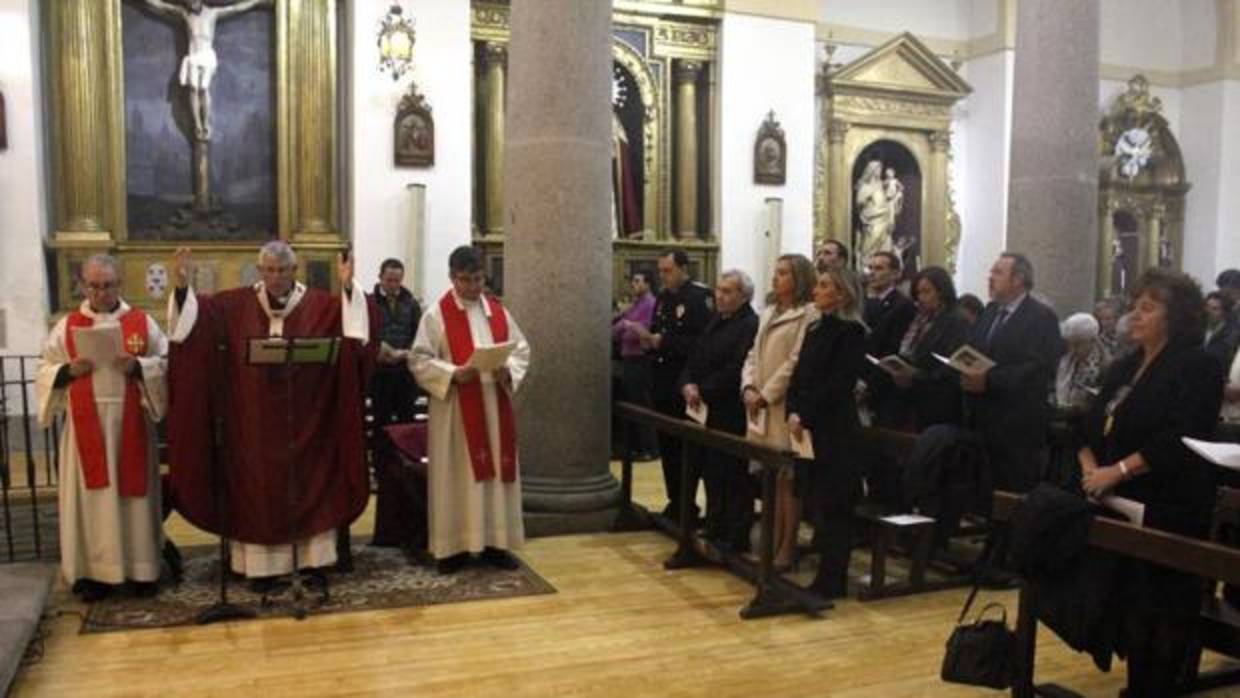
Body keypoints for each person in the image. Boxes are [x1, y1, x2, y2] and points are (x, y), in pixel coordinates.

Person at [167, 242, 372, 583]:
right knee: (258, 490)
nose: (276, 277)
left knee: (309, 486)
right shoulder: (234, 305)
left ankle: (311, 563)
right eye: (269, 270)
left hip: (308, 419)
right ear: (260, 271)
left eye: (283, 270)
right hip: (253, 422)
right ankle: (260, 567)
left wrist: (349, 287)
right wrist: (182, 287)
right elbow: (193, 324)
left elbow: (356, 336)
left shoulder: (321, 305)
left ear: (295, 271)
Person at [1078, 268, 1224, 696]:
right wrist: (1090, 464)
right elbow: (1088, 422)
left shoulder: (1198, 366)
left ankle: (1155, 685)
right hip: (1114, 498)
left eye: (1147, 308)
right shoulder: (1126, 365)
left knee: (1159, 607)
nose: (1134, 316)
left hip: (1168, 502)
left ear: (1175, 316)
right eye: (1134, 307)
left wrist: (1117, 471)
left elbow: (1179, 435)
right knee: (1128, 605)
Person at [36, 255, 169, 602]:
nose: (101, 292)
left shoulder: (142, 322)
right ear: (83, 285)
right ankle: (93, 574)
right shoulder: (67, 326)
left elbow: (166, 363)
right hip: (86, 428)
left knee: (133, 500)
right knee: (91, 501)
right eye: (94, 285)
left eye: (108, 285)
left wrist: (139, 366)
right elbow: (44, 367)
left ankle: (142, 570)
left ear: (119, 284)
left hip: (131, 425)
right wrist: (67, 372)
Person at [411, 246, 531, 573]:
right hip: (456, 412)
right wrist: (452, 373)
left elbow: (521, 350)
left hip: (495, 408)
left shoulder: (498, 311)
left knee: (496, 476)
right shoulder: (437, 315)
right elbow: (418, 359)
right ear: (452, 277)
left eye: (478, 279)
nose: (473, 287)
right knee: (457, 478)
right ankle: (453, 548)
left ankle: (495, 543)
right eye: (466, 280)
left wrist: (510, 370)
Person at [785, 265, 868, 599]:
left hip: (836, 430)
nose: (815, 291)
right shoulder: (816, 328)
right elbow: (800, 374)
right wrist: (793, 409)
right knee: (818, 502)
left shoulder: (852, 333)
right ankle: (824, 574)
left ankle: (833, 578)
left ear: (842, 294)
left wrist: (804, 413)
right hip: (808, 427)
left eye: (823, 286)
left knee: (835, 507)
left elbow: (838, 383)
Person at [963, 252, 1065, 493]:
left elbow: (1039, 368)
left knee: (1010, 494)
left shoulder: (1041, 317)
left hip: (1016, 424)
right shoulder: (989, 311)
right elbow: (975, 349)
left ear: (1018, 280)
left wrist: (989, 381)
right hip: (981, 418)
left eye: (998, 273)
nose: (990, 277)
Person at [742, 253, 817, 570]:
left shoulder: (808, 314)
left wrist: (767, 393)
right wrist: (748, 387)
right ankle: (770, 543)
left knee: (788, 479)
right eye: (776, 271)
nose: (776, 278)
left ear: (798, 278)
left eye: (784, 273)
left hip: (784, 405)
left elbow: (795, 362)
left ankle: (787, 547)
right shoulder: (769, 311)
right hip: (759, 405)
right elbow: (752, 354)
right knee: (769, 477)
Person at [680, 270, 759, 553]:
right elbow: (695, 355)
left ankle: (735, 535)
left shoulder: (749, 324)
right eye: (718, 290)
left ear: (743, 295)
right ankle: (715, 525)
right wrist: (687, 382)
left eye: (727, 291)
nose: (720, 296)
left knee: (733, 475)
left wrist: (703, 389)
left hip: (729, 410)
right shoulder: (717, 320)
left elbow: (736, 368)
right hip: (704, 407)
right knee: (712, 472)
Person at [140, 0, 271, 140]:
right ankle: (197, 125)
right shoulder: (185, 15)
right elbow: (160, 6)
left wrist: (257, 1)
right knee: (193, 90)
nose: (190, 4)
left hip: (207, 57)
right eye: (188, 2)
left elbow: (236, 8)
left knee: (203, 90)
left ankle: (206, 123)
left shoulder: (212, 13)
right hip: (193, 58)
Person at [645, 250, 712, 520]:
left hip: (685, 382)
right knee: (668, 447)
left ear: (683, 268)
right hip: (663, 381)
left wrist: (665, 342)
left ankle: (688, 504)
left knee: (687, 450)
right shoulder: (663, 297)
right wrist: (650, 340)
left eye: (668, 270)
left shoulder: (699, 297)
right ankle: (676, 500)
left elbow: (701, 344)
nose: (663, 276)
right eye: (660, 271)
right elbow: (657, 328)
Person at [887, 266, 970, 430]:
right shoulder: (921, 321)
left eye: (926, 292)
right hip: (915, 399)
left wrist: (917, 375)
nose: (921, 298)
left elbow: (951, 366)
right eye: (918, 293)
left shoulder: (955, 321)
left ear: (942, 291)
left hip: (940, 402)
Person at [861, 251, 916, 428]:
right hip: (860, 379)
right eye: (870, 268)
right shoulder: (863, 303)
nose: (872, 273)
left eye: (879, 268)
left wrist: (869, 383)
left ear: (894, 274)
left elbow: (893, 348)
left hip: (884, 385)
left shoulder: (903, 305)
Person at [612, 272, 659, 459]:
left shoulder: (650, 304)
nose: (633, 285)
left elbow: (642, 332)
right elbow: (615, 331)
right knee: (631, 404)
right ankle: (636, 446)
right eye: (632, 281)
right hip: (629, 359)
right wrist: (624, 324)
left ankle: (650, 448)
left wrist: (627, 326)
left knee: (641, 405)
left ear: (648, 284)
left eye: (638, 281)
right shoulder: (635, 304)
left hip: (640, 359)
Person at [371, 258, 423, 426]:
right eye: (389, 280)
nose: (393, 285)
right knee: (382, 420)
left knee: (406, 418)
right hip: (380, 371)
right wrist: (381, 349)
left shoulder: (411, 303)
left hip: (404, 371)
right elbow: (368, 334)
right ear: (380, 277)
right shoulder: (370, 302)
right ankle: (382, 453)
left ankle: (404, 453)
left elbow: (419, 334)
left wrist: (406, 351)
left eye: (397, 281)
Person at [1053, 313, 1108, 412]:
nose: (1073, 349)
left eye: (1078, 344)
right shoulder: (1065, 361)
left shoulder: (1104, 367)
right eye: (1070, 344)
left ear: (1091, 341)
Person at [1204, 290, 1240, 366]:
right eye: (1207, 307)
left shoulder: (1231, 334)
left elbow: (1219, 355)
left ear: (1224, 313)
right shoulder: (1201, 328)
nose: (1208, 312)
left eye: (1215, 309)